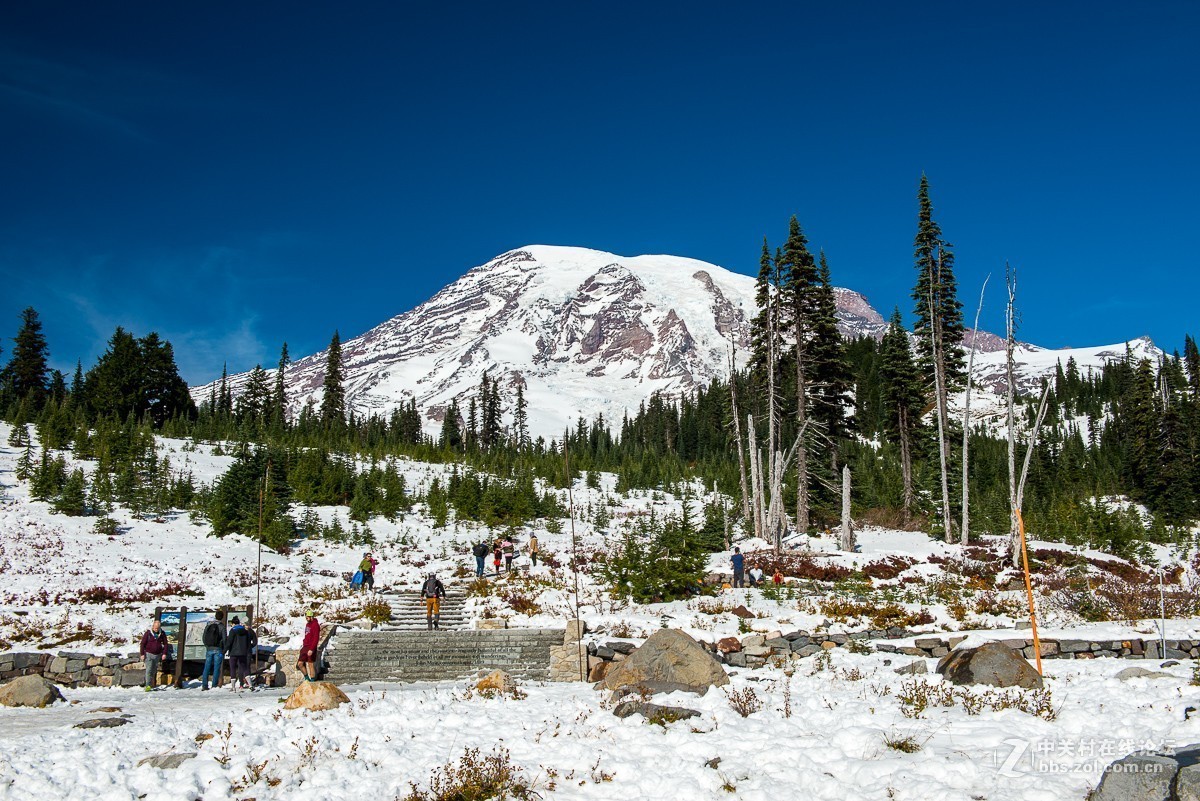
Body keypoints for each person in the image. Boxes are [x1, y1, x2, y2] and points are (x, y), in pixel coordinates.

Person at [223, 616, 258, 691]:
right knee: (245, 668)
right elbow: (249, 642)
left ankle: (233, 687)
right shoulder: (246, 631)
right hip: (243, 653)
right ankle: (250, 685)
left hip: (233, 653)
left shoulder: (233, 630)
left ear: (233, 624)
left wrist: (224, 650)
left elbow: (229, 642)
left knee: (233, 668)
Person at [139, 618, 168, 692]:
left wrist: (164, 653)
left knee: (154, 670)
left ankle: (149, 683)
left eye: (157, 628)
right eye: (155, 628)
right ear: (152, 627)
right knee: (149, 670)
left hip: (157, 655)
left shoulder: (162, 633)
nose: (156, 629)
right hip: (148, 654)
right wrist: (142, 653)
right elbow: (142, 644)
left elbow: (165, 644)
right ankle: (147, 685)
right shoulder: (148, 633)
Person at [199, 610, 225, 690]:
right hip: (218, 649)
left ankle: (204, 685)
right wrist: (223, 648)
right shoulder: (221, 626)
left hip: (209, 648)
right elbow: (224, 639)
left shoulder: (209, 625)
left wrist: (207, 646)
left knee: (207, 667)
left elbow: (204, 637)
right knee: (216, 667)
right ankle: (214, 685)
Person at [298, 609, 320, 682]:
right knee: (300, 663)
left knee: (310, 664)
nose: (306, 619)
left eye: (307, 617)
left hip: (311, 646)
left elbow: (316, 638)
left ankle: (312, 680)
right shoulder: (307, 624)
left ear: (311, 617)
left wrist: (312, 649)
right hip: (305, 646)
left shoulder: (315, 625)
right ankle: (306, 678)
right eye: (306, 617)